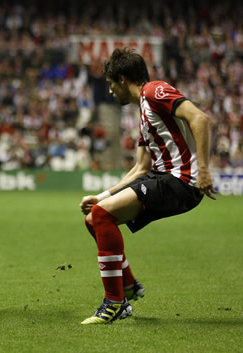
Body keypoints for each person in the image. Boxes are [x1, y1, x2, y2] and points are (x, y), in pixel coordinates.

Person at [79, 48, 216, 324]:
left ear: (122, 78)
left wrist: (203, 170)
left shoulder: (154, 91)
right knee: (95, 217)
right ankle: (128, 287)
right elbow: (140, 168)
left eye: (110, 84)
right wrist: (103, 195)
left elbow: (200, 118)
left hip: (180, 181)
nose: (109, 91)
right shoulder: (143, 110)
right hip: (161, 177)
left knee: (103, 215)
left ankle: (115, 302)